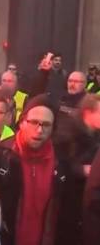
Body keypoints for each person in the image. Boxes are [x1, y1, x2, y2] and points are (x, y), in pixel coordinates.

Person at [0, 94, 66, 245]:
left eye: (46, 124)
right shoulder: (0, 154)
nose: (39, 130)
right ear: (22, 122)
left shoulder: (60, 162)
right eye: (34, 122)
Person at [54, 94, 100, 245]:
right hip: (68, 197)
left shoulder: (95, 134)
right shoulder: (68, 131)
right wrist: (82, 170)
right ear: (88, 113)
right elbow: (60, 162)